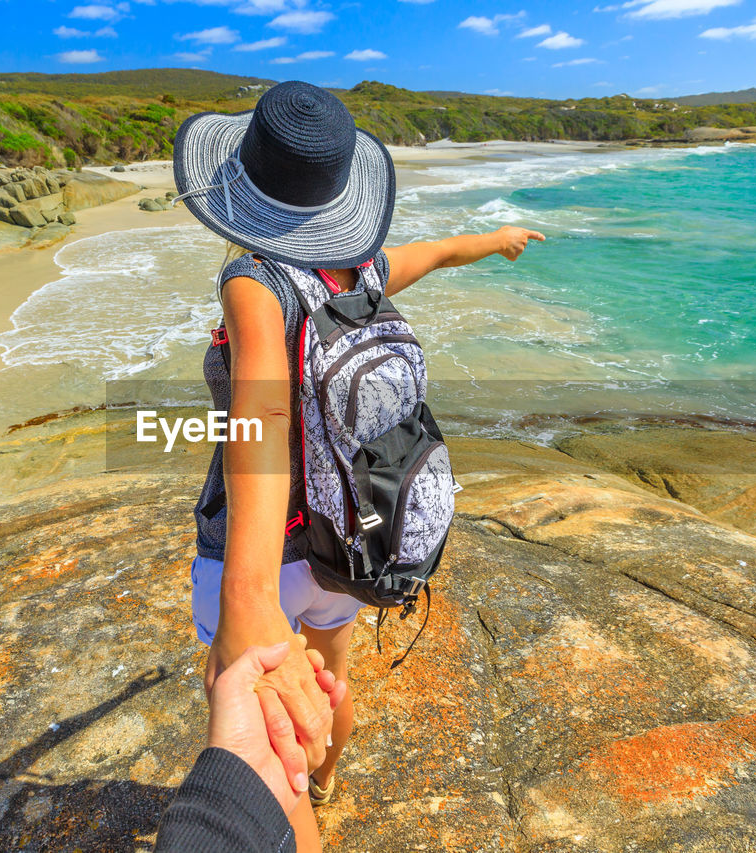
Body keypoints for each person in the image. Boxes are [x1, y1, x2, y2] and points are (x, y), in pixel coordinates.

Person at [172, 80, 543, 851]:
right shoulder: (362, 269)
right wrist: (498, 239)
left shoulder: (253, 281)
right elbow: (437, 253)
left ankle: (299, 807)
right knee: (330, 674)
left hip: (269, 548)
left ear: (243, 185)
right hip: (350, 534)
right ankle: (332, 772)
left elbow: (264, 413)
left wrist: (245, 593)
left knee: (255, 730)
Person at [155, 642, 346, 853]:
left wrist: (242, 784)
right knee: (331, 672)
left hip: (253, 614)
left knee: (284, 729)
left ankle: (313, 784)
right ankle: (322, 783)